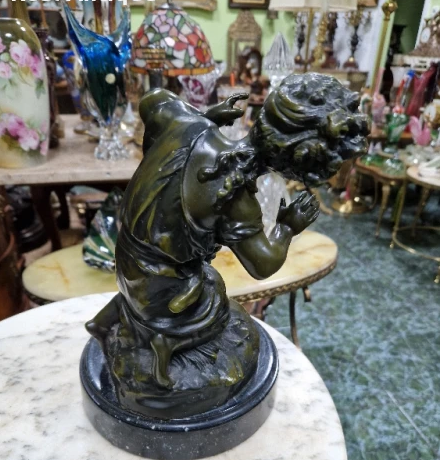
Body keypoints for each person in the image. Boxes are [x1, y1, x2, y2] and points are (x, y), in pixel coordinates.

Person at [87, 73, 369, 389]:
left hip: (126, 258)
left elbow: (153, 100)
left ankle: (116, 316)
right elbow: (262, 265)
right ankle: (167, 339)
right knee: (215, 295)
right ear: (295, 169)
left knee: (188, 277)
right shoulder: (235, 197)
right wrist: (288, 227)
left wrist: (205, 117)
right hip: (161, 291)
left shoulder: (187, 123)